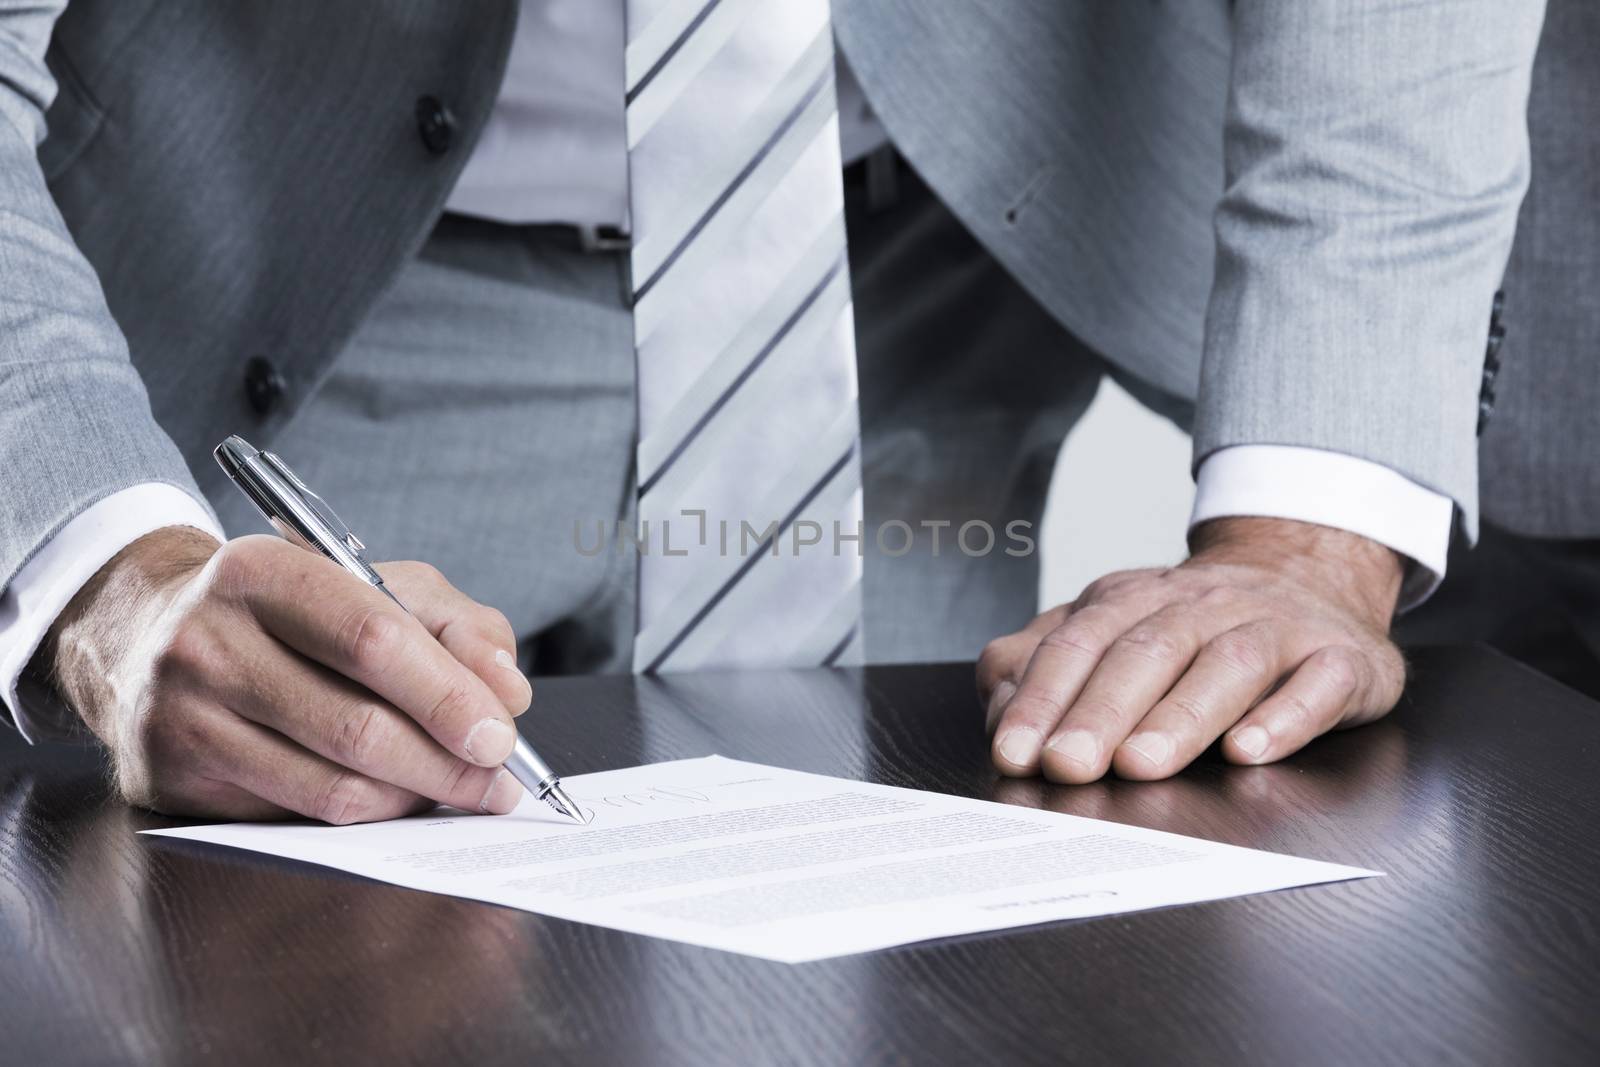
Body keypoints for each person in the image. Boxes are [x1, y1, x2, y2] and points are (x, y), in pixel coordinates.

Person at [0, 1, 1588, 824]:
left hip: (923, 251)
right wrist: (106, 579)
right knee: (270, 802)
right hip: (290, 236)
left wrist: (1304, 543)